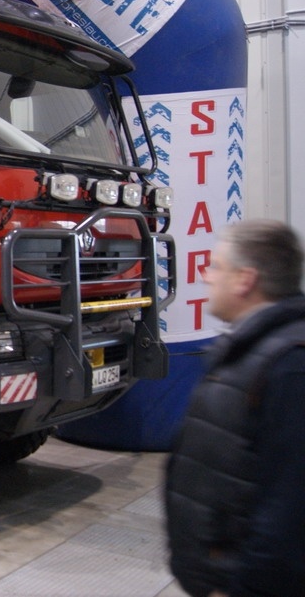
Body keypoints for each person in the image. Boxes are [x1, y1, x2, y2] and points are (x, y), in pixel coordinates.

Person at [165, 219, 305, 597]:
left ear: (245, 279)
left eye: (216, 266)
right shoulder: (247, 350)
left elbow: (288, 511)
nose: (207, 276)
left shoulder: (290, 367)